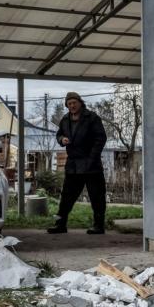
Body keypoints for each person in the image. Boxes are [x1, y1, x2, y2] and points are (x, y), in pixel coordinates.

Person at [47, 92, 108, 234]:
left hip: (91, 164)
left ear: (80, 102)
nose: (72, 106)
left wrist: (92, 157)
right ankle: (60, 224)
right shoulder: (65, 119)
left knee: (97, 196)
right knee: (66, 196)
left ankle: (99, 226)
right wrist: (62, 139)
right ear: (67, 106)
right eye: (69, 104)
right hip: (73, 164)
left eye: (74, 103)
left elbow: (101, 138)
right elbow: (59, 134)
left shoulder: (91, 117)